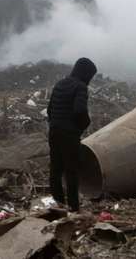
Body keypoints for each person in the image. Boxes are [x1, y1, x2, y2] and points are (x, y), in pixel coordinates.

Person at [47, 57, 97, 212]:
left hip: (54, 131)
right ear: (86, 73)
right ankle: (74, 207)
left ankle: (58, 203)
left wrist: (55, 123)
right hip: (69, 134)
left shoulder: (60, 84)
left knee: (56, 169)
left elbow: (49, 110)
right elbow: (80, 110)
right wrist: (83, 125)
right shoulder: (80, 87)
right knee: (71, 170)